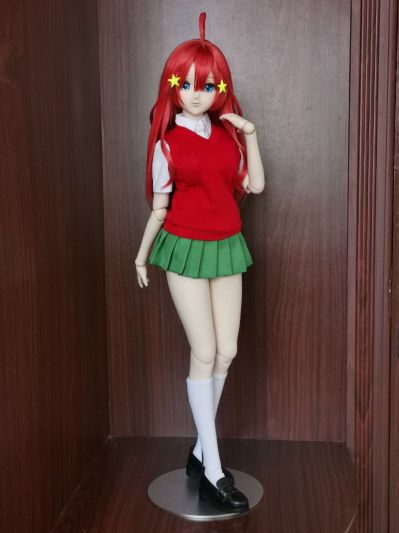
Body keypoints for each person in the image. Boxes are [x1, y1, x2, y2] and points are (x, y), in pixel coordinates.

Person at [135, 12, 265, 513]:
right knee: (205, 350)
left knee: (227, 350)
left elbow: (255, 186)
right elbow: (159, 208)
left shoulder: (229, 138)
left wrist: (250, 133)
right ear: (173, 87)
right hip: (184, 248)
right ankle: (213, 470)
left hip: (226, 244)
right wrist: (142, 256)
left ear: (219, 89)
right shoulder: (167, 144)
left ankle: (197, 451)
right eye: (186, 84)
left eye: (207, 86)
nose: (195, 94)